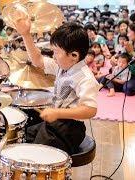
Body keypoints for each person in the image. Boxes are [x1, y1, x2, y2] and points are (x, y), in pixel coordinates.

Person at [14, 19, 99, 155]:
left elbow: (90, 110)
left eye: (56, 52)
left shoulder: (85, 78)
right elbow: (38, 60)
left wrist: (57, 113)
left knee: (37, 153)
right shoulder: (63, 65)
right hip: (56, 123)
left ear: (74, 56)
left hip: (70, 129)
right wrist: (26, 34)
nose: (53, 56)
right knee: (24, 136)